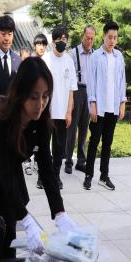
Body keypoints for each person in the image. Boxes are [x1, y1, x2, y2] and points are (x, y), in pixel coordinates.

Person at [0, 57, 79, 258]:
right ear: (20, 94)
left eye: (45, 96)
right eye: (34, 97)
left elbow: (46, 168)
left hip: (8, 167)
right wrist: (26, 220)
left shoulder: (42, 121)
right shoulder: (2, 119)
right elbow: (3, 172)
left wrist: (60, 213)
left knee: (8, 233)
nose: (40, 104)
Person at [84, 21, 126, 191]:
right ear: (103, 36)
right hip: (99, 108)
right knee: (94, 141)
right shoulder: (95, 56)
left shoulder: (119, 57)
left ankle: (104, 175)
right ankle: (88, 175)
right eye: (110, 37)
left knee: (108, 143)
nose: (112, 41)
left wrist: (122, 103)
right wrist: (92, 104)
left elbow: (122, 81)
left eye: (115, 38)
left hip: (113, 107)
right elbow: (91, 82)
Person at [37, 26, 77, 190]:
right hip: (46, 112)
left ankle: (55, 176)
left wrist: (69, 112)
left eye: (65, 39)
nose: (63, 42)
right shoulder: (45, 59)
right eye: (60, 39)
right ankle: (42, 177)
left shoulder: (69, 61)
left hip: (62, 113)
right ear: (53, 41)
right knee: (44, 146)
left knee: (59, 148)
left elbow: (71, 90)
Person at [65, 25, 96, 174]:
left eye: (92, 38)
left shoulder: (96, 54)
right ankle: (68, 161)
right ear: (82, 36)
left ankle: (81, 161)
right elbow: (70, 78)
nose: (89, 41)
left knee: (84, 128)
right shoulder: (73, 53)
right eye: (87, 38)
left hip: (90, 92)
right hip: (77, 90)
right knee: (72, 128)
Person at [23, 33, 49, 176]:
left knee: (41, 136)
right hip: (29, 107)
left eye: (44, 45)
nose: (41, 47)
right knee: (27, 134)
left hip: (42, 107)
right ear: (34, 46)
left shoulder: (48, 62)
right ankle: (26, 160)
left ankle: (39, 161)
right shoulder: (29, 63)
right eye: (39, 44)